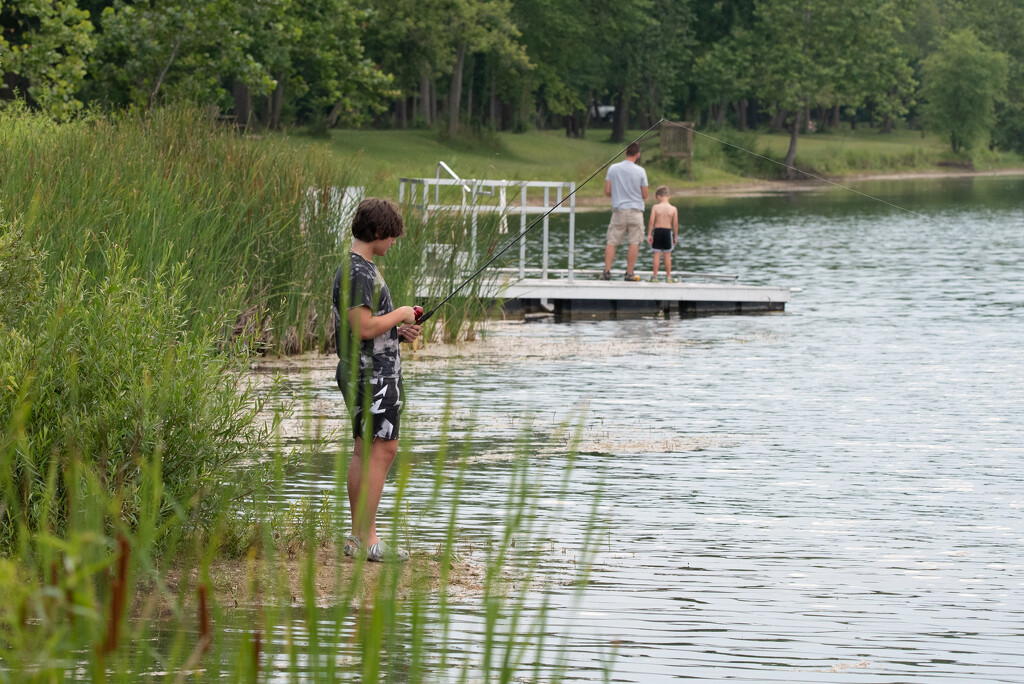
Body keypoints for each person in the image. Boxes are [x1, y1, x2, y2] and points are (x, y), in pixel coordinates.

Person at [332, 197, 421, 563]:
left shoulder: (358, 267)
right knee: (383, 450)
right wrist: (400, 312)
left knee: (364, 450)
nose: (394, 243)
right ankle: (368, 539)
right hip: (374, 377)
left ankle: (357, 537)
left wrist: (397, 333)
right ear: (380, 232)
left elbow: (365, 332)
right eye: (393, 237)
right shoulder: (359, 272)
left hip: (365, 368)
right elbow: (362, 327)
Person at [602, 142, 649, 281]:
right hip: (636, 212)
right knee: (634, 242)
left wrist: (618, 195)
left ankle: (607, 272)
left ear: (625, 153)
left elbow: (607, 191)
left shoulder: (613, 168)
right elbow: (645, 194)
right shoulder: (641, 171)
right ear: (638, 155)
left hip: (619, 211)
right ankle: (629, 273)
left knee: (612, 241)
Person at [646, 186, 679, 282]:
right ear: (669, 196)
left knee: (656, 255)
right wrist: (675, 237)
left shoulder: (656, 207)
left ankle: (655, 277)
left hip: (657, 231)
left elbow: (651, 221)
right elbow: (675, 225)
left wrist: (649, 234)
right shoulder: (673, 209)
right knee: (667, 255)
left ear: (658, 196)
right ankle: (669, 277)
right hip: (667, 231)